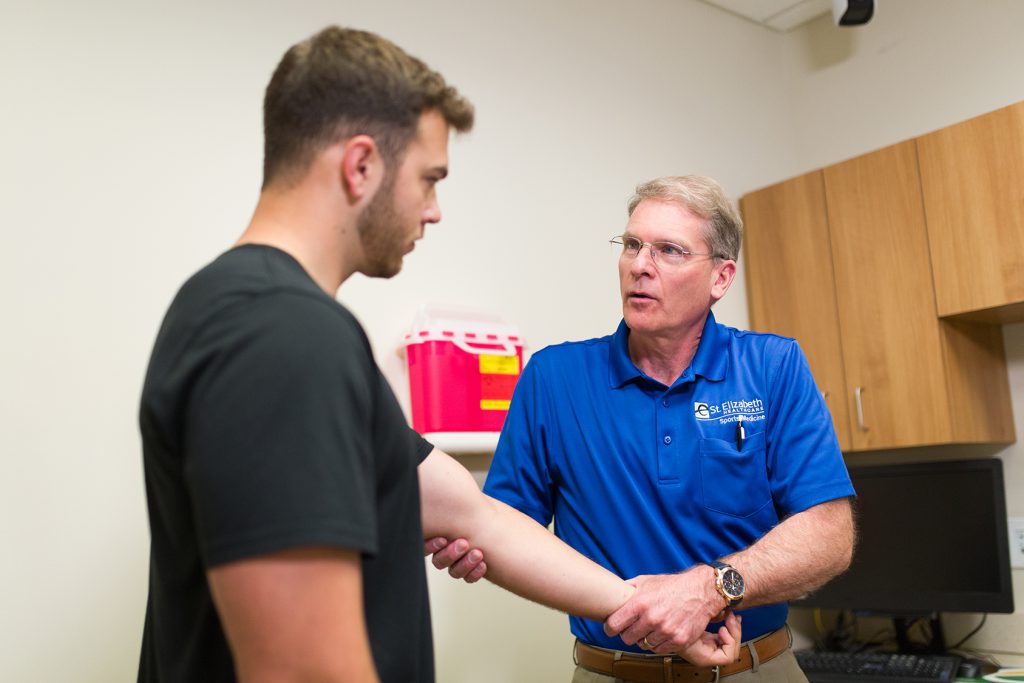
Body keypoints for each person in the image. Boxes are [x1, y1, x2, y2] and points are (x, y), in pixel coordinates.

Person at [137, 28, 741, 683]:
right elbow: (303, 667)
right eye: (429, 179)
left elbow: (469, 511)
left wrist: (651, 611)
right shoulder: (281, 334)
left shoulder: (258, 314)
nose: (434, 211)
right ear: (361, 165)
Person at [433, 175, 856, 682]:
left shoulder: (772, 365)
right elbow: (504, 532)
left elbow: (830, 535)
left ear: (721, 278)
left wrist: (708, 590)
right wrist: (475, 541)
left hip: (754, 668)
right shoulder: (553, 378)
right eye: (632, 245)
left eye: (669, 250)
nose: (639, 265)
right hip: (612, 672)